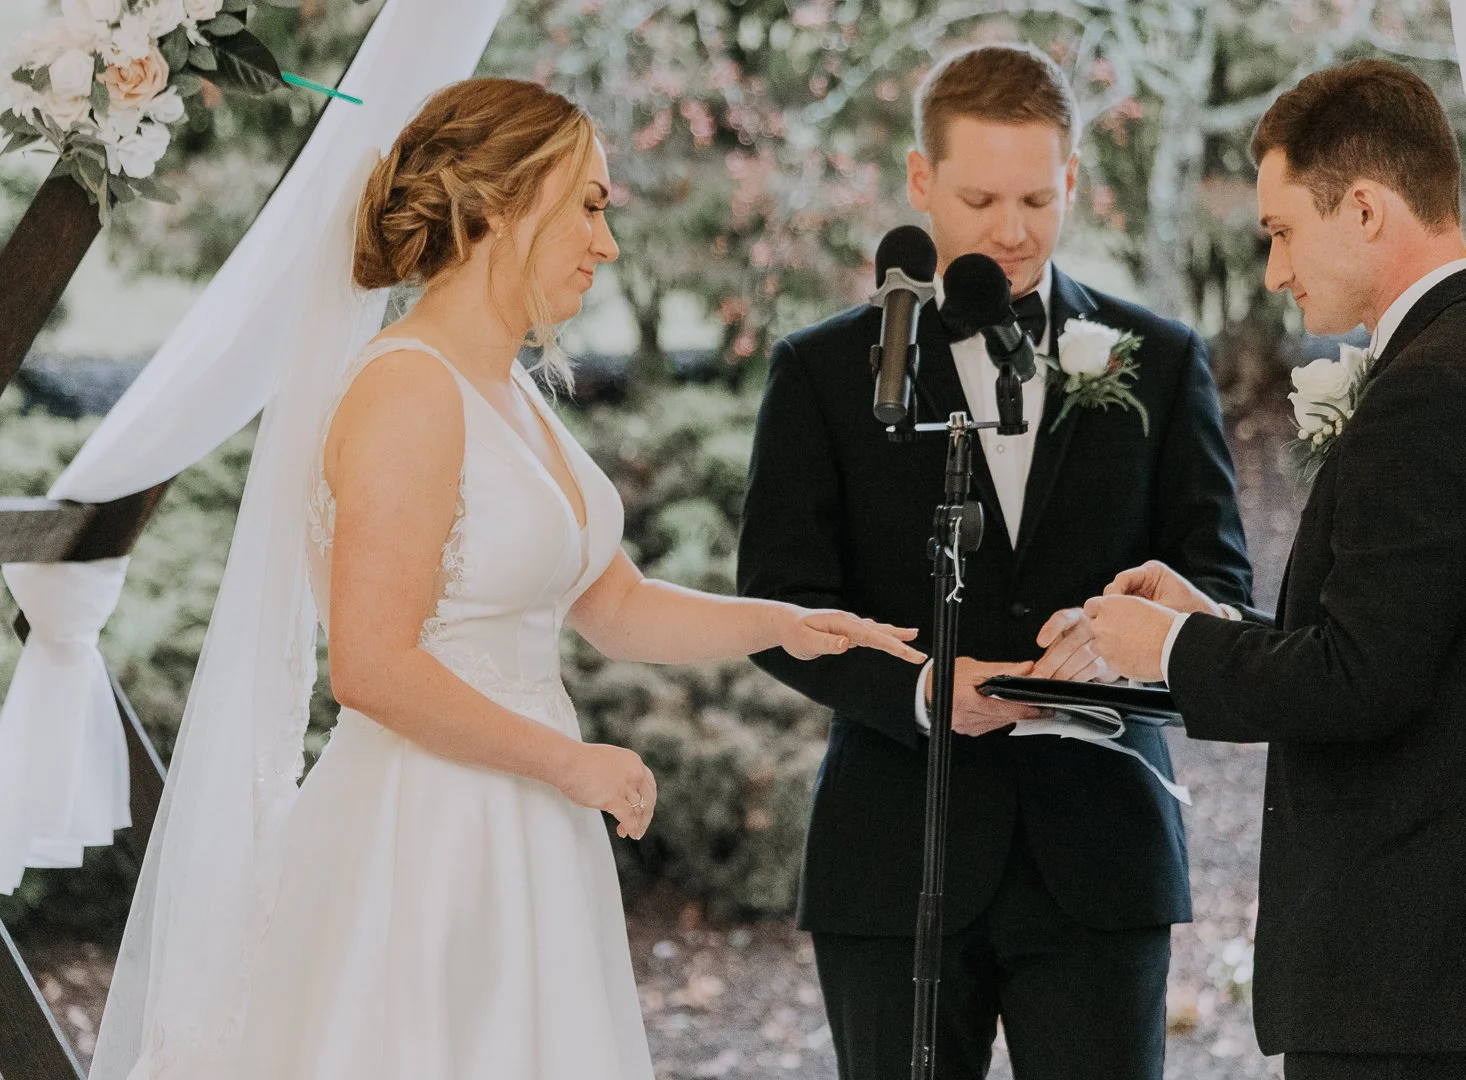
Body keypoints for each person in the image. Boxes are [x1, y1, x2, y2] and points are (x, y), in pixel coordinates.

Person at [98, 78, 926, 1080]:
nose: (605, 243)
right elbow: (371, 665)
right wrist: (570, 763)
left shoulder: (508, 392)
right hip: (425, 835)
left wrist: (785, 623)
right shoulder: (407, 389)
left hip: (524, 824)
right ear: (494, 205)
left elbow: (611, 604)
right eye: (587, 204)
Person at [736, 43, 1252, 1080]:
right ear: (920, 180)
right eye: (977, 198)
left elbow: (1220, 590)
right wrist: (923, 690)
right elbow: (777, 608)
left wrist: (1131, 647)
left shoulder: (1159, 357)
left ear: (1071, 179)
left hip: (1102, 854)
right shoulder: (825, 371)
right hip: (893, 850)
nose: (1009, 232)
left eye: (1034, 197)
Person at [1086, 58, 1466, 1080]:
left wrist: (1169, 649)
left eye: (1280, 230)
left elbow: (1362, 681)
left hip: (1407, 974)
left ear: (1363, 208)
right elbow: (1407, 638)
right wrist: (1218, 619)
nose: (1271, 271)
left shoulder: (1427, 390)